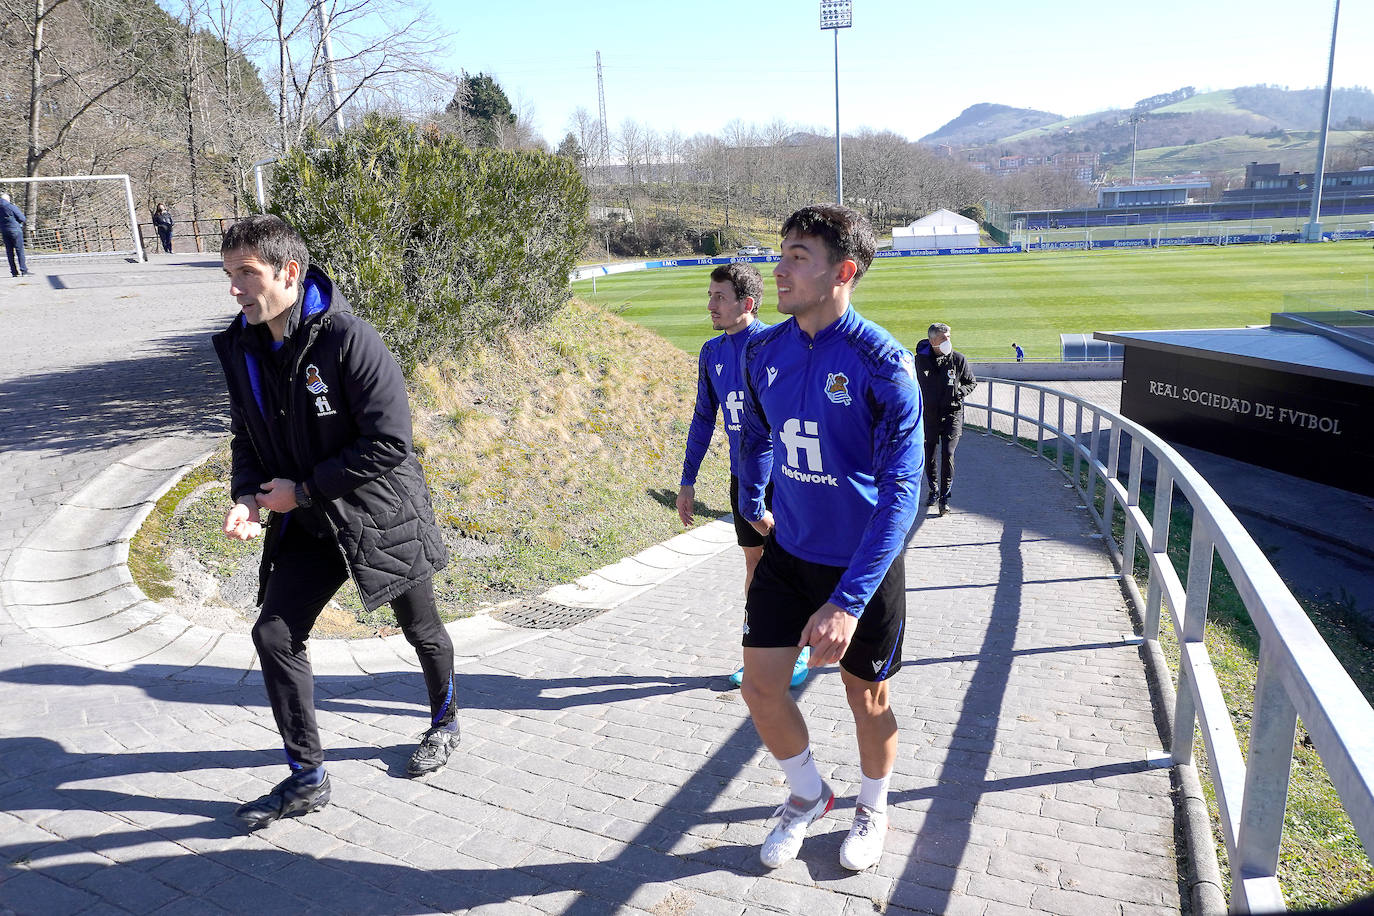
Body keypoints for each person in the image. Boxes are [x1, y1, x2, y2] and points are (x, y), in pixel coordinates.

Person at [213, 215, 458, 830]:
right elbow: (247, 433)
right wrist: (247, 494)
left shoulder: (349, 339)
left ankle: (445, 719)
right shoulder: (238, 347)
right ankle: (307, 775)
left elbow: (389, 443)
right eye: (229, 275)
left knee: (422, 630)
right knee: (273, 634)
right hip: (306, 522)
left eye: (248, 273)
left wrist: (307, 490)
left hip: (377, 513)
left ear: (288, 272)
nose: (236, 289)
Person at [736, 204, 923, 872]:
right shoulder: (764, 350)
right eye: (781, 252)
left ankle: (873, 806)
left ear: (842, 272)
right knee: (760, 687)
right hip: (790, 553)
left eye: (797, 257)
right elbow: (756, 433)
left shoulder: (884, 366)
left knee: (864, 696)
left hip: (862, 568)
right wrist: (753, 496)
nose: (779, 269)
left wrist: (846, 603)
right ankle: (809, 795)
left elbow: (904, 496)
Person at [676, 264, 811, 690]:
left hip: (787, 475)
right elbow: (702, 419)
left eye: (720, 297)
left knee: (793, 564)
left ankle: (799, 648)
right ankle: (761, 651)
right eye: (710, 295)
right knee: (754, 562)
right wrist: (687, 480)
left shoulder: (778, 343)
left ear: (746, 303)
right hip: (742, 476)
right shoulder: (711, 352)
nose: (710, 304)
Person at [914, 323, 976, 516]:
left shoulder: (958, 359)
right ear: (933, 341)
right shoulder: (920, 361)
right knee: (929, 453)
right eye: (943, 338)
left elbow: (971, 382)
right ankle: (933, 490)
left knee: (948, 453)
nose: (948, 340)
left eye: (949, 336)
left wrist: (959, 392)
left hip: (952, 414)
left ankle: (945, 499)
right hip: (929, 415)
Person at [0, 193, 30, 277]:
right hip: (15, 230)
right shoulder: (11, 206)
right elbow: (22, 218)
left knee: (9, 252)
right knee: (19, 250)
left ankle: (13, 271)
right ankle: (23, 270)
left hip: (4, 231)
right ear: (7, 199)